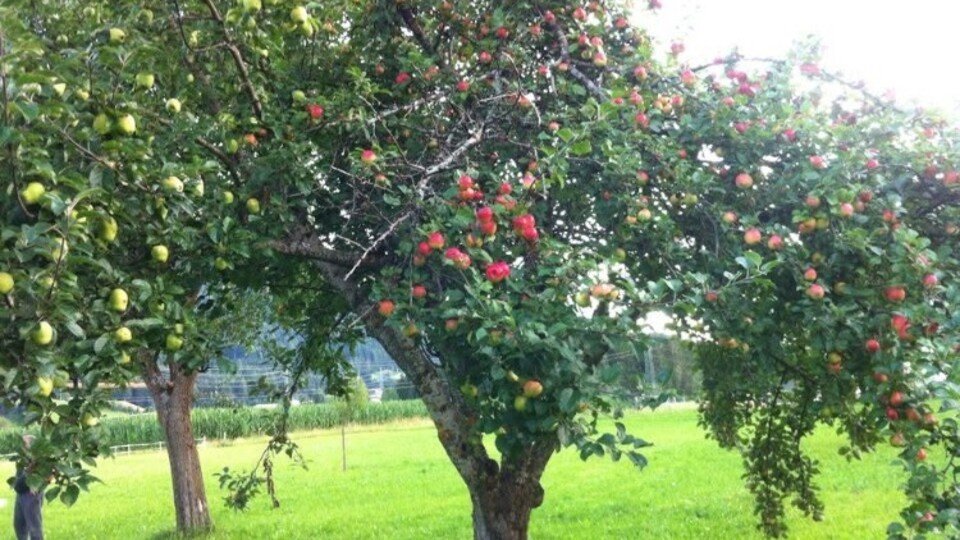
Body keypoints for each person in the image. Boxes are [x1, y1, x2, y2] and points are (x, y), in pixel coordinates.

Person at [12, 434, 44, 540]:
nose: (21, 445)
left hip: (30, 495)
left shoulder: (38, 459)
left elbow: (46, 475)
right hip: (20, 494)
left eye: (24, 443)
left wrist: (36, 485)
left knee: (34, 529)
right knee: (19, 525)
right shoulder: (23, 459)